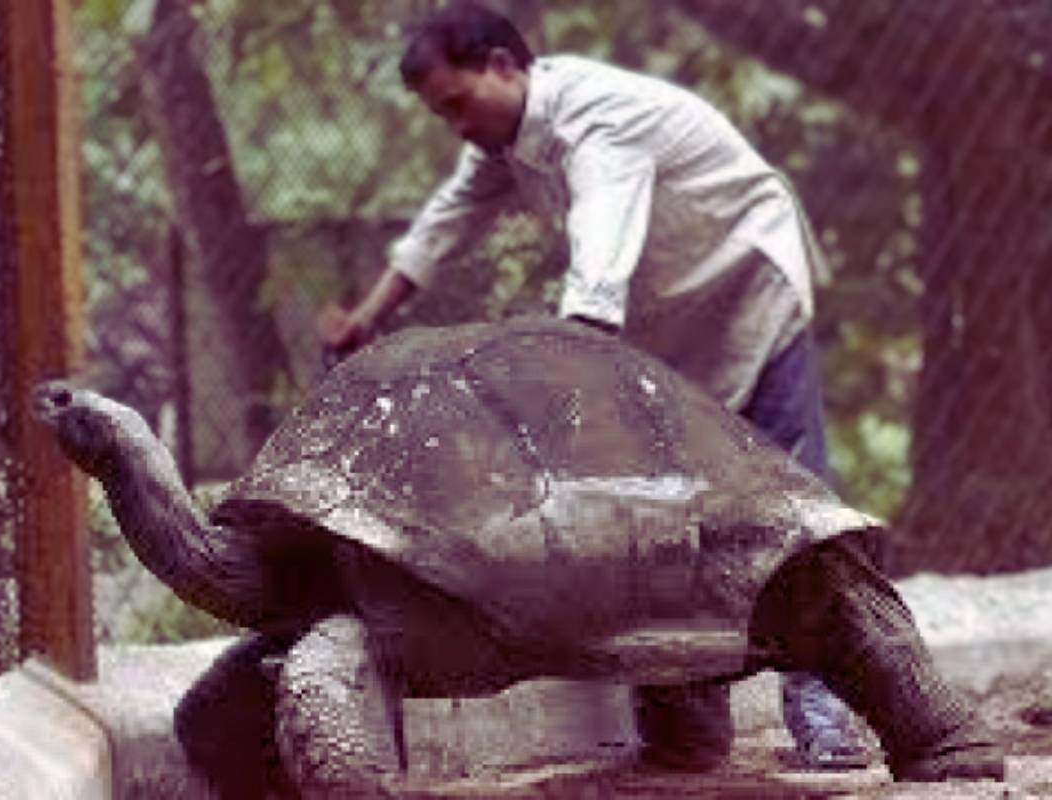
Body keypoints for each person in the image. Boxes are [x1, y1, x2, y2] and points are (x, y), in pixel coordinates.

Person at [318, 0, 870, 771]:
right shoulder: (508, 139)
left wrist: (567, 381)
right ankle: (690, 731)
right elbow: (444, 222)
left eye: (458, 104)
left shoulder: (596, 121)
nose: (457, 126)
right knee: (677, 517)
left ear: (504, 67)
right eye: (442, 114)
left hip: (748, 290)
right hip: (672, 328)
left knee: (794, 512)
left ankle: (829, 720)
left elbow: (599, 263)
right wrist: (366, 318)